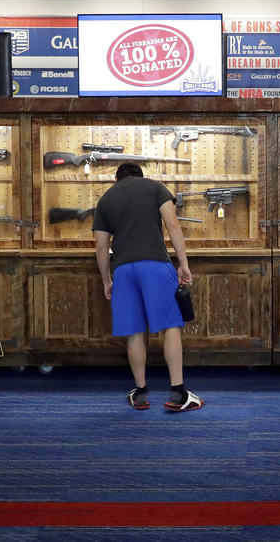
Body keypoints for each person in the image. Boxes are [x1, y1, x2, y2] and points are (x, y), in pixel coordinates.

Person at [92, 162, 202, 412]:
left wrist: (107, 280)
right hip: (155, 265)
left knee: (134, 331)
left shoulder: (106, 198)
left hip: (123, 271)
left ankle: (140, 392)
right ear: (140, 175)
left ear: (116, 179)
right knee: (170, 326)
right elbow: (173, 225)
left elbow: (100, 247)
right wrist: (183, 263)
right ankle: (178, 392)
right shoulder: (155, 188)